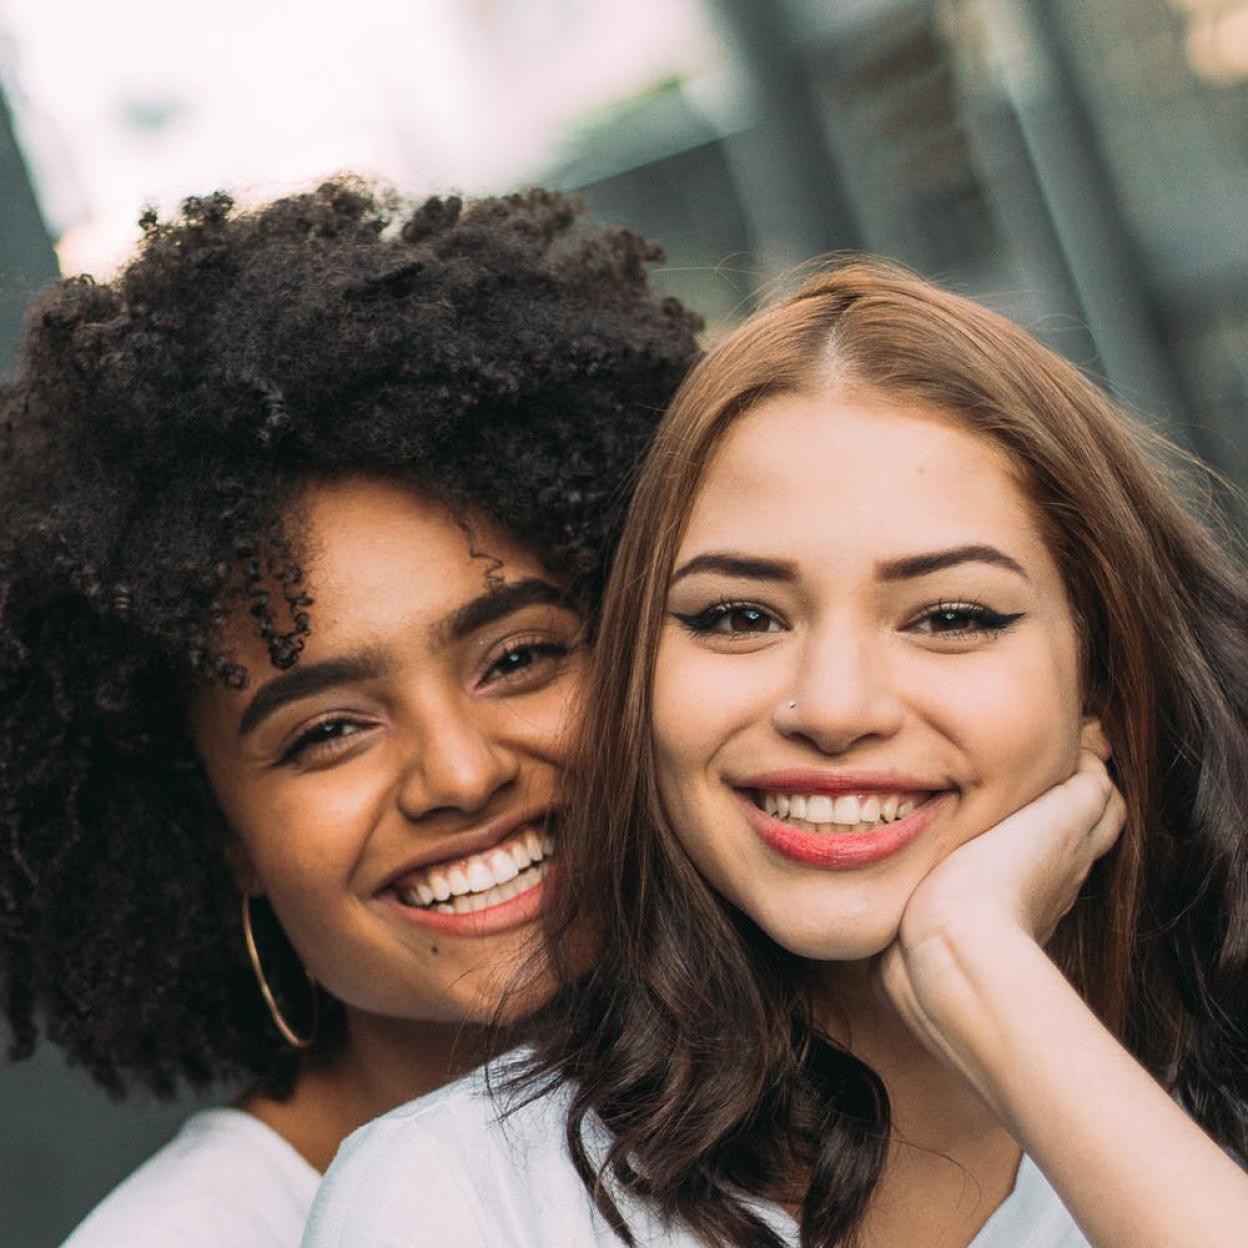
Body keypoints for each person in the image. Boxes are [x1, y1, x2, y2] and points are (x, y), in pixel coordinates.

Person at [303, 258, 1248, 1248]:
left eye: (950, 617)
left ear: (1102, 685)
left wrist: (983, 968)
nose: (833, 708)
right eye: (739, 616)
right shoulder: (452, 1199)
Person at [0, 179, 701, 1247]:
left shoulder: (849, 1088)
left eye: (518, 658)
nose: (461, 773)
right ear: (220, 830)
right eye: (328, 730)